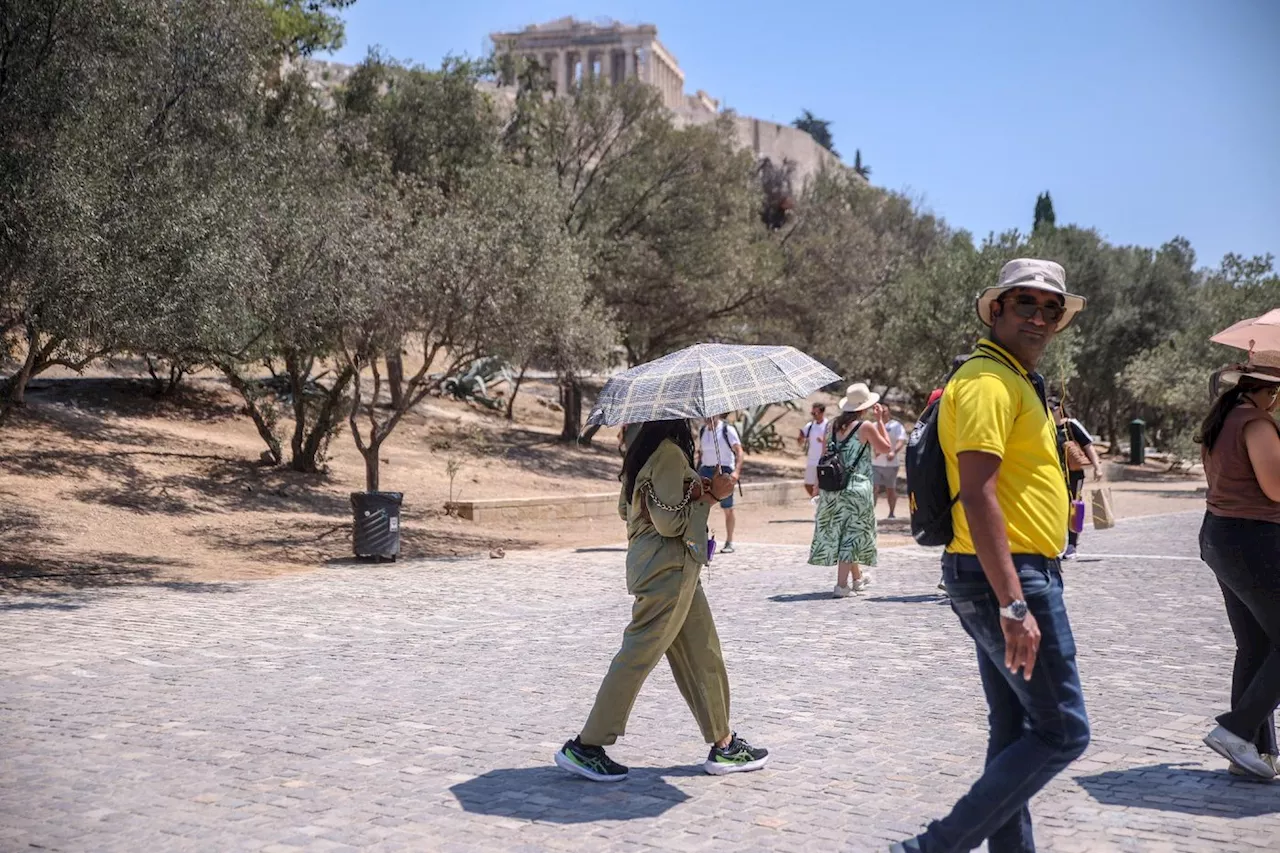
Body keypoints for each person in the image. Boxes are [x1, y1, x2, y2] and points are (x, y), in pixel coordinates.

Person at [893, 259, 1091, 853]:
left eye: (1050, 308)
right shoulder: (987, 381)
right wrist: (1013, 602)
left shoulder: (1014, 379)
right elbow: (978, 493)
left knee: (1012, 729)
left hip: (1005, 572)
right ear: (996, 309)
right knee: (1063, 730)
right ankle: (931, 847)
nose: (1038, 316)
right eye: (1025, 303)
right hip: (1004, 577)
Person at [555, 419, 770, 782]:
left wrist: (694, 489)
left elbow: (631, 509)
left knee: (704, 654)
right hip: (667, 574)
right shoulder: (669, 454)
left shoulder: (645, 452)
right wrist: (713, 496)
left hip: (673, 571)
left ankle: (725, 744)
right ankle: (586, 746)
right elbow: (670, 524)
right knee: (636, 657)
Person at [1195, 362, 1280, 782]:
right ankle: (1237, 731)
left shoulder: (1224, 419)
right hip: (1254, 542)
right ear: (1271, 390)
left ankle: (1253, 754)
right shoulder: (1257, 422)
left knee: (1256, 647)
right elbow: (1276, 489)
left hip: (1220, 537)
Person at [809, 383, 893, 598]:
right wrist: (881, 422)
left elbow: (823, 454)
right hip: (856, 487)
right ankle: (841, 585)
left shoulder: (832, 427)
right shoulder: (865, 427)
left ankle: (857, 579)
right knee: (852, 535)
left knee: (844, 530)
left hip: (833, 487)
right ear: (863, 407)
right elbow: (886, 448)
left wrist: (818, 486)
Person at [1049, 398, 1102, 560]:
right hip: (1053, 475)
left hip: (1074, 475)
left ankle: (1072, 545)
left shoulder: (1071, 425)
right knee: (1055, 508)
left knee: (1074, 507)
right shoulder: (1045, 427)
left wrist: (1097, 466)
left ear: (1059, 409)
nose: (1049, 412)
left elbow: (1088, 445)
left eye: (1052, 409)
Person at [695, 414, 744, 554]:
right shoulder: (703, 431)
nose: (708, 418)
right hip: (705, 469)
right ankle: (701, 540)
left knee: (727, 506)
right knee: (699, 506)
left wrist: (736, 472)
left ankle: (729, 540)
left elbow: (739, 452)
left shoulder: (727, 430)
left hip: (723, 469)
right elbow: (701, 453)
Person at [872, 408, 909, 519]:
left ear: (889, 412)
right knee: (873, 488)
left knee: (890, 489)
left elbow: (901, 440)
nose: (883, 413)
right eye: (881, 411)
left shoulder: (896, 426)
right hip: (876, 463)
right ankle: (871, 512)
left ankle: (891, 513)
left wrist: (894, 452)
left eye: (885, 411)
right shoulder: (874, 426)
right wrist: (875, 450)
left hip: (891, 464)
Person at [798, 402, 830, 499]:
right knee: (808, 484)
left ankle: (822, 501)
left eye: (815, 413)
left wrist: (824, 440)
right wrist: (800, 438)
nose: (814, 416)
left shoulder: (828, 426)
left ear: (822, 413)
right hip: (811, 460)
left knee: (823, 485)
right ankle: (816, 500)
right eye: (812, 413)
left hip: (823, 460)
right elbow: (801, 438)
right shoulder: (810, 426)